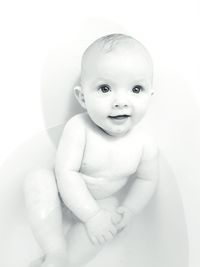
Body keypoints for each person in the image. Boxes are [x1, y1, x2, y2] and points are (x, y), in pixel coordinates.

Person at [24, 33, 159, 267]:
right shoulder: (78, 128)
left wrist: (130, 209)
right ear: (82, 97)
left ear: (150, 96)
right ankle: (54, 250)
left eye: (136, 89)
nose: (121, 101)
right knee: (38, 180)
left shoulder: (145, 144)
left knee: (110, 219)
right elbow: (66, 172)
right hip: (60, 194)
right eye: (105, 88)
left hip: (101, 202)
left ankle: (66, 262)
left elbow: (147, 179)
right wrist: (91, 215)